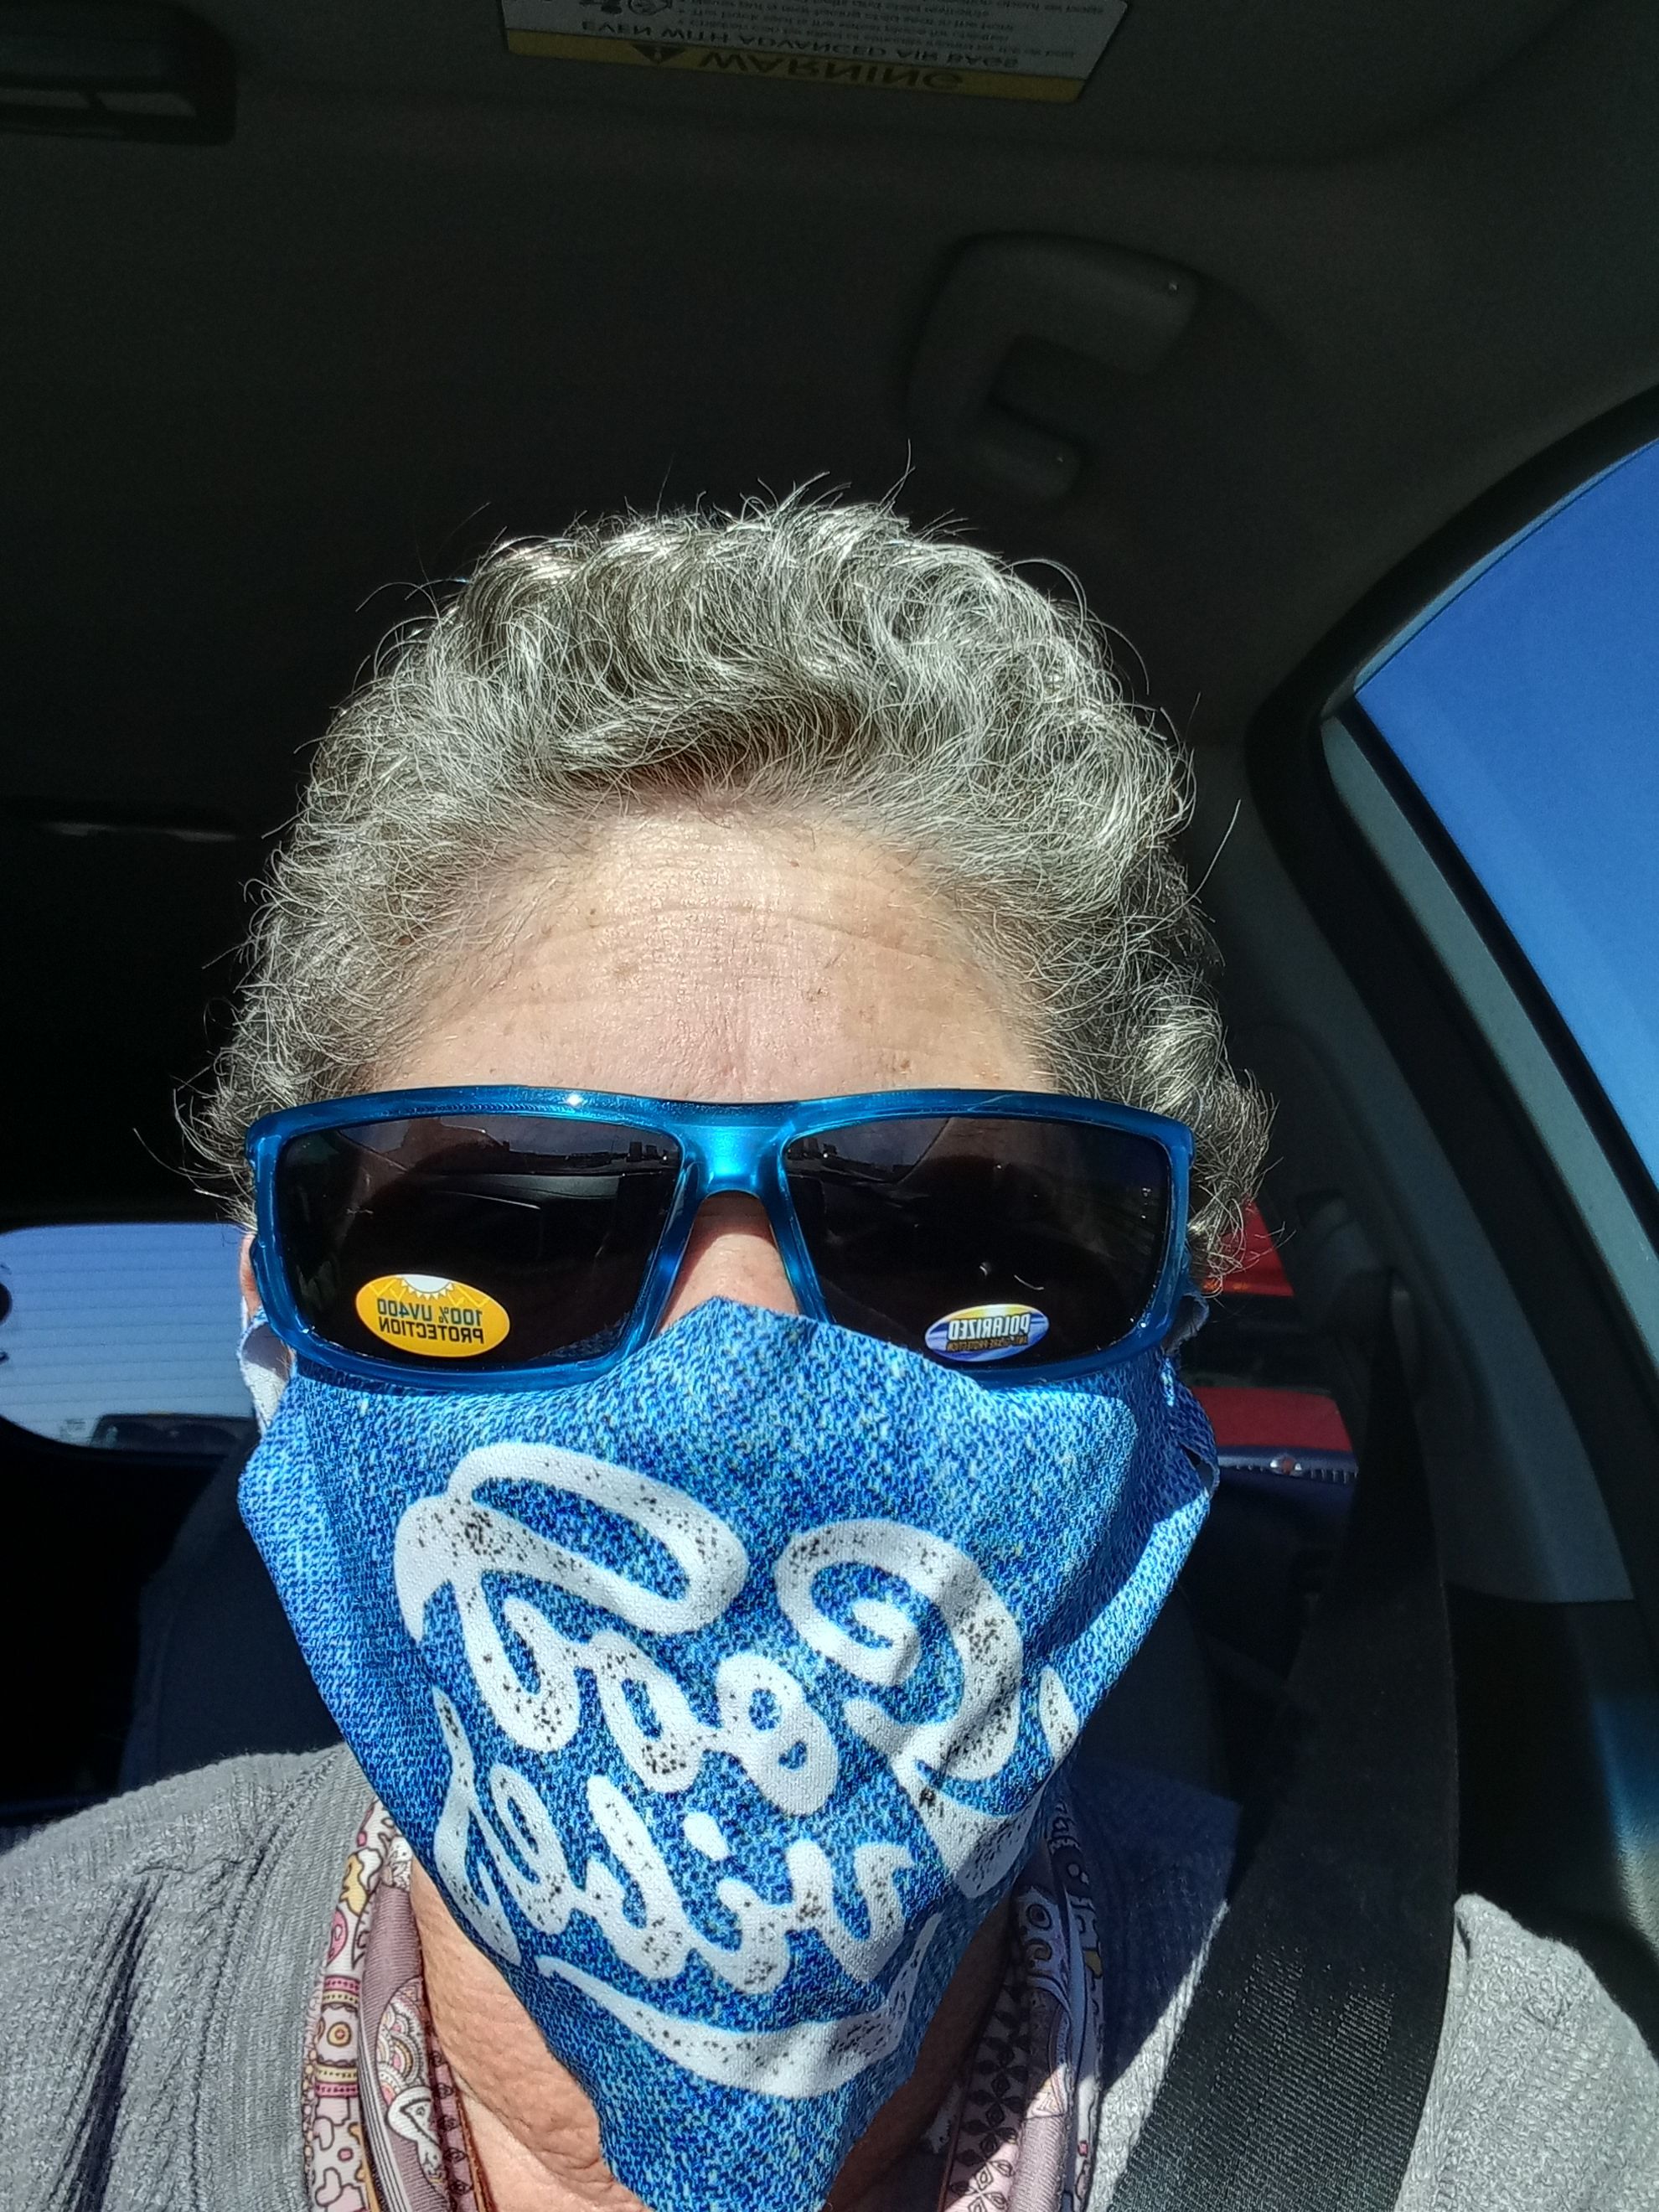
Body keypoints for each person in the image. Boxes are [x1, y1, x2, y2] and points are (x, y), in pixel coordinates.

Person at [2, 496, 1654, 2212]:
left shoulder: (1495, 2119)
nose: (733, 1371)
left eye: (944, 1229)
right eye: (516, 1228)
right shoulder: (37, 2036)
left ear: (1160, 1326)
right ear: (274, 1313)